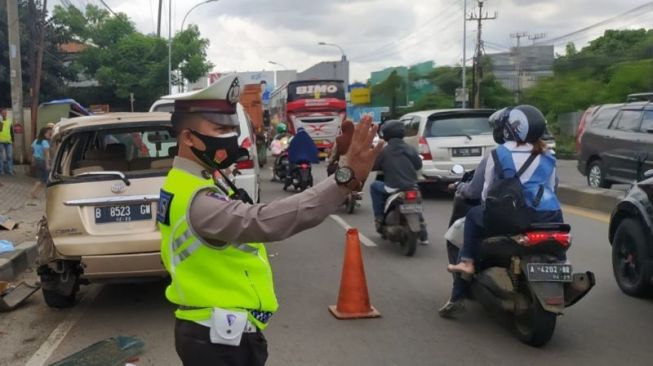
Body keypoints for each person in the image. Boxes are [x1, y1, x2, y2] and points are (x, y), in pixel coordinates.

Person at [157, 74, 384, 366]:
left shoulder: (191, 181)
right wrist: (344, 178)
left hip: (216, 332)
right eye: (219, 128)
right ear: (188, 137)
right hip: (218, 341)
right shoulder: (198, 200)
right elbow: (264, 221)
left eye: (231, 128)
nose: (229, 135)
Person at [446, 105, 563, 282]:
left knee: (472, 215)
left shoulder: (497, 154)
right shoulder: (548, 155)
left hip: (510, 218)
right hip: (549, 217)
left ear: (510, 128)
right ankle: (562, 264)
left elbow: (484, 195)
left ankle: (467, 262)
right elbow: (552, 189)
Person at [439, 113, 506, 317]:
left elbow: (475, 192)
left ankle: (459, 293)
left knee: (468, 223)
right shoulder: (546, 154)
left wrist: (459, 186)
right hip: (542, 218)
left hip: (501, 216)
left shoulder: (495, 156)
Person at [370, 120, 428, 245]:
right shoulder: (410, 148)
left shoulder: (384, 151)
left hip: (393, 187)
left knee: (374, 186)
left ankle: (379, 217)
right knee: (415, 204)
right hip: (412, 186)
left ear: (386, 135)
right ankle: (424, 234)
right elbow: (418, 165)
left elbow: (374, 166)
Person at [29, 126, 53, 199]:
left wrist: (32, 160)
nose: (50, 135)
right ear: (44, 134)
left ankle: (34, 192)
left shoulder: (36, 141)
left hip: (37, 161)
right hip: (43, 162)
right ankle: (34, 192)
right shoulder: (45, 142)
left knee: (40, 178)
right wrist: (48, 164)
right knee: (46, 179)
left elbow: (32, 150)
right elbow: (46, 154)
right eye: (49, 133)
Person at [0, 109, 14, 175]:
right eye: (3, 113)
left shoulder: (9, 121)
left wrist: (13, 140)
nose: (4, 114)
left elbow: (11, 131)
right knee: (1, 157)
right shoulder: (0, 121)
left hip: (9, 141)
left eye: (5, 113)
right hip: (0, 141)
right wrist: (1, 122)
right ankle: (1, 171)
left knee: (9, 156)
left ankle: (10, 170)